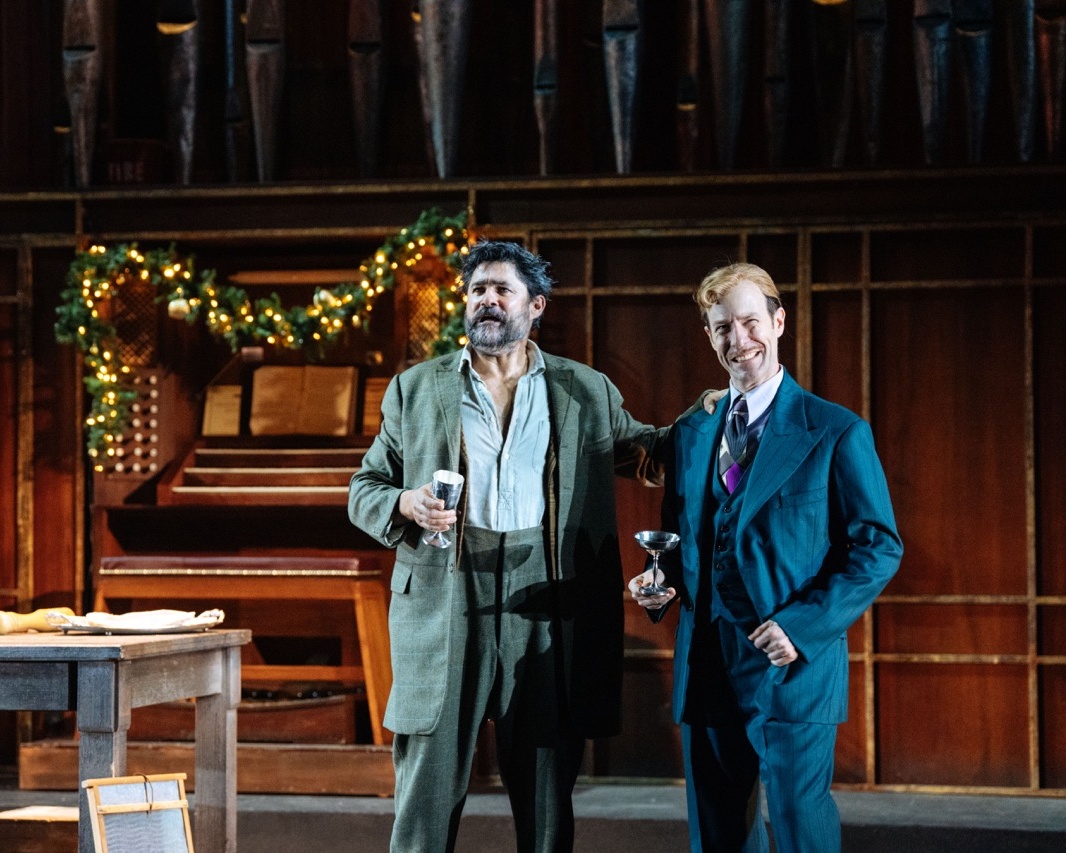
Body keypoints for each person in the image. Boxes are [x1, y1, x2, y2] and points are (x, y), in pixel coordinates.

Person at [348, 239, 668, 853]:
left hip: (546, 596)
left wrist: (726, 412)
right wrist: (402, 503)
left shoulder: (585, 390)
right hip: (446, 594)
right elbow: (364, 487)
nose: (487, 301)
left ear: (536, 305)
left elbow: (648, 452)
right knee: (425, 791)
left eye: (502, 290)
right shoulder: (415, 389)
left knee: (547, 796)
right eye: (477, 290)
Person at [628, 262, 903, 853]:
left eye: (751, 322)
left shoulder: (834, 431)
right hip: (705, 661)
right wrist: (661, 584)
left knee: (802, 832)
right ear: (710, 336)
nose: (739, 339)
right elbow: (685, 539)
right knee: (718, 835)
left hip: (791, 664)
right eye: (723, 327)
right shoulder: (692, 434)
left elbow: (879, 546)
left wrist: (802, 628)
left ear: (778, 322)